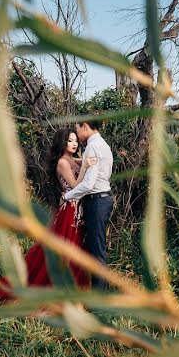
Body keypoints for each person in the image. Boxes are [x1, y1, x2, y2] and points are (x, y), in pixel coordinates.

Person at [0, 128, 97, 310]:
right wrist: (86, 166)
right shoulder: (63, 163)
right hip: (69, 211)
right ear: (62, 143)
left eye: (75, 141)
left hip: (77, 211)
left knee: (75, 249)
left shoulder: (72, 159)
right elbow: (74, 185)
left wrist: (89, 156)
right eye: (70, 141)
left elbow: (85, 158)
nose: (74, 144)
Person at [64, 117, 114, 289]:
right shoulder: (102, 144)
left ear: (85, 127)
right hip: (102, 199)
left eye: (77, 129)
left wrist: (67, 196)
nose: (77, 134)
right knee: (96, 247)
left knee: (96, 250)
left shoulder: (92, 146)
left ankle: (100, 299)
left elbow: (88, 184)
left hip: (97, 200)